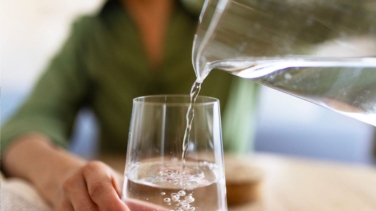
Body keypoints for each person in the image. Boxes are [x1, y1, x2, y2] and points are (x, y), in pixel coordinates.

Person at [1, 0, 258, 210]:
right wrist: (68, 176)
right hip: (121, 203)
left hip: (244, 201)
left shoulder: (236, 15)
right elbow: (23, 127)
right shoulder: (91, 34)